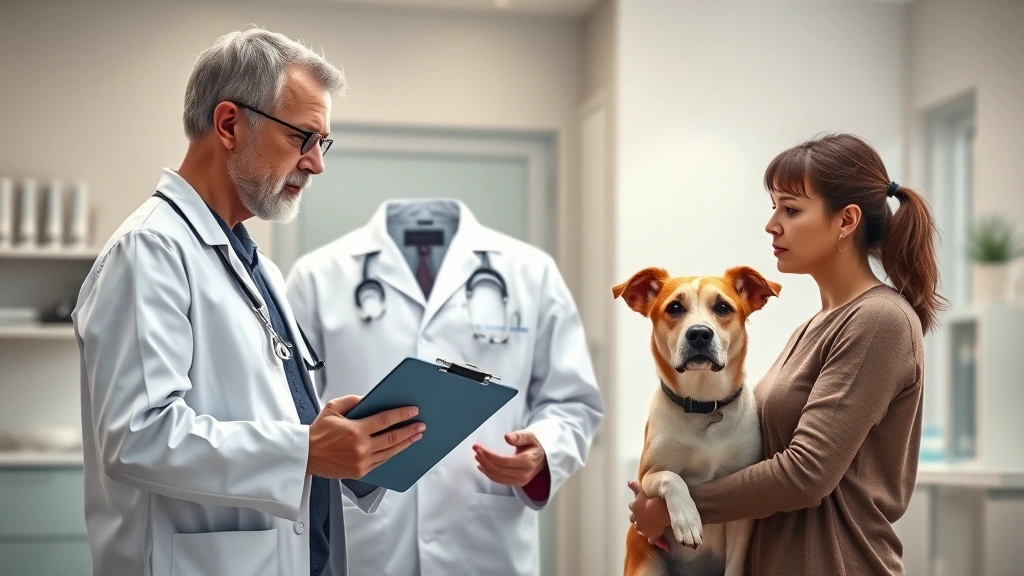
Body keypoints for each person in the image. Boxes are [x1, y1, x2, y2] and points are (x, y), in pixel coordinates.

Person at [72, 28, 424, 576]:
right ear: (230, 124)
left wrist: (327, 434)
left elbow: (262, 416)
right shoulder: (149, 250)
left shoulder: (255, 265)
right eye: (302, 138)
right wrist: (303, 449)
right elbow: (137, 436)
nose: (315, 164)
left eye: (321, 143)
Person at [627, 133, 945, 575]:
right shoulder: (814, 326)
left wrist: (674, 507)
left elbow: (806, 473)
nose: (772, 224)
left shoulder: (879, 321)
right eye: (774, 207)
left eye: (791, 209)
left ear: (846, 221)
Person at [285, 198, 606, 576]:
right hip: (364, 538)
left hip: (486, 541)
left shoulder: (532, 273)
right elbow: (290, 404)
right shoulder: (318, 276)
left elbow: (572, 400)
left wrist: (545, 449)